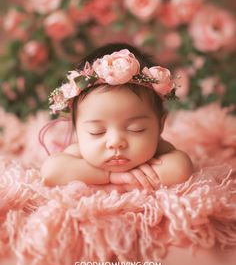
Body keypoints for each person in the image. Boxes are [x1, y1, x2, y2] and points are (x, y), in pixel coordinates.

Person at [41, 43, 193, 190]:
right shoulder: (78, 152)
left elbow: (181, 169)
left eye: (136, 129)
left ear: (160, 125)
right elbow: (50, 172)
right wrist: (111, 177)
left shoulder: (159, 148)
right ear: (77, 130)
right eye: (96, 131)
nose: (115, 142)